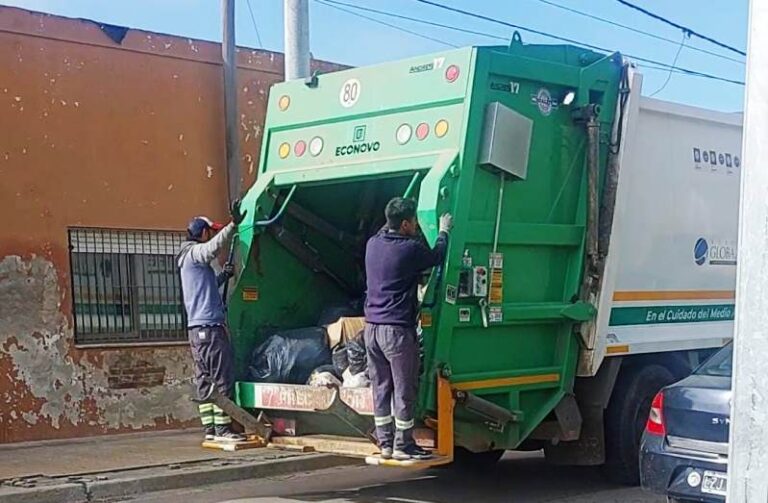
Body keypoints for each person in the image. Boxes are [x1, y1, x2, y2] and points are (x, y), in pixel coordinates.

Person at [364, 197, 452, 460]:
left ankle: (386, 443)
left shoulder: (372, 244)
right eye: (413, 222)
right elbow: (437, 256)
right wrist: (444, 231)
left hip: (371, 330)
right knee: (404, 388)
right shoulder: (410, 249)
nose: (415, 226)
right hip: (396, 331)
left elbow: (384, 232)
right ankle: (403, 445)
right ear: (404, 224)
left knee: (380, 387)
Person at [177, 200, 247, 443]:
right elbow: (211, 248)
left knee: (205, 380)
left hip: (196, 331)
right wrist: (233, 226)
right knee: (222, 379)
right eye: (211, 231)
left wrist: (223, 276)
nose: (212, 235)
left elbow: (205, 289)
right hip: (210, 328)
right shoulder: (195, 254)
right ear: (203, 233)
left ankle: (210, 429)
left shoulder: (187, 263)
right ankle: (224, 429)